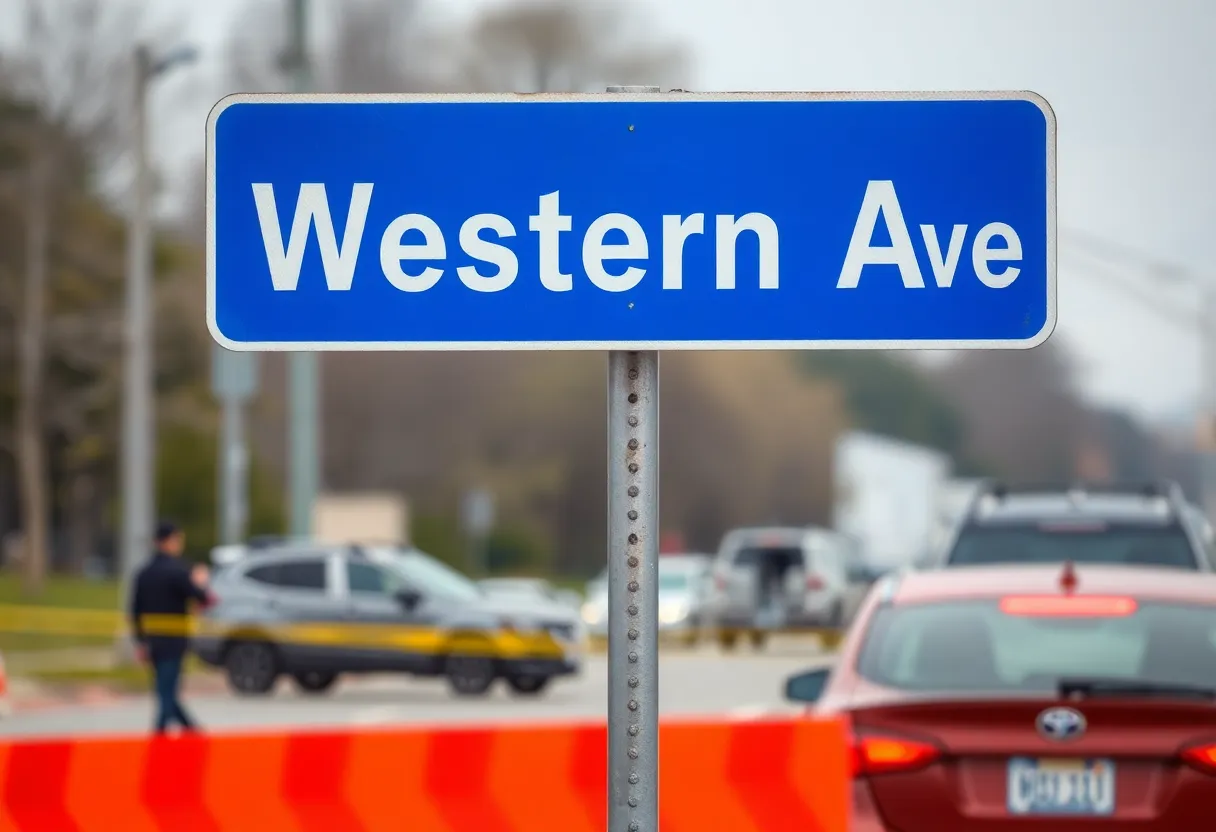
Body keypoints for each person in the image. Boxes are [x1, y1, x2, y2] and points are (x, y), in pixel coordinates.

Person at [129, 521, 213, 735]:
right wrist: (202, 581)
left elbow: (135, 610)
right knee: (166, 693)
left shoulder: (143, 573)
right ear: (171, 541)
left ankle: (192, 733)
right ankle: (160, 737)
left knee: (165, 690)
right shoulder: (177, 571)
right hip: (174, 641)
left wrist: (139, 641)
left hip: (152, 640)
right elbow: (202, 597)